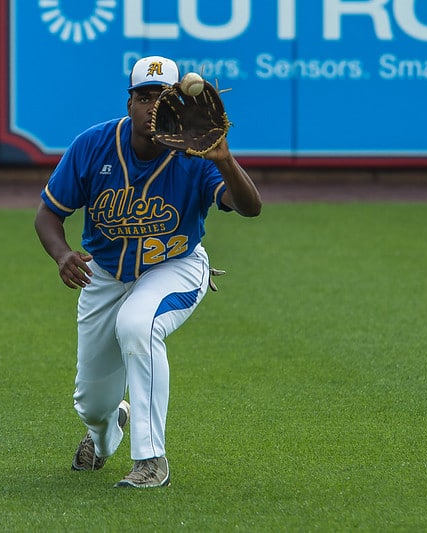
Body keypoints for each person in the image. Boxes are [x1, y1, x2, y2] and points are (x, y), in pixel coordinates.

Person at [34, 55, 262, 489]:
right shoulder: (93, 145)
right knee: (91, 403)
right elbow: (47, 215)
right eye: (143, 96)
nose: (152, 105)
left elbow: (250, 207)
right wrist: (63, 254)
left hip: (175, 266)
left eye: (162, 96)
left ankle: (151, 461)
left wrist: (225, 158)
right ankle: (104, 437)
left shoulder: (195, 154)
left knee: (138, 325)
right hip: (104, 275)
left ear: (177, 103)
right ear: (129, 103)